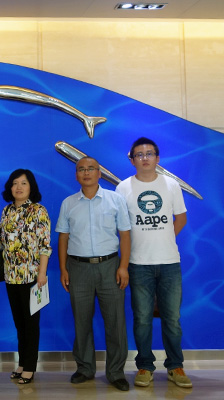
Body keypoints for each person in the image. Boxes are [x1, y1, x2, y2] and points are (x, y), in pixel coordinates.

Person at [116, 137, 192, 388]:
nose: (145, 158)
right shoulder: (123, 188)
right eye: (139, 154)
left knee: (172, 319)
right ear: (132, 160)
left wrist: (165, 237)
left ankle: (175, 366)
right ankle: (145, 366)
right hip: (138, 264)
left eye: (149, 153)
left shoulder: (171, 185)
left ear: (157, 158)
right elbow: (121, 227)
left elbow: (181, 218)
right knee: (142, 319)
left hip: (169, 262)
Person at [55, 157, 131, 391]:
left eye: (91, 169)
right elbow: (63, 237)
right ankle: (85, 368)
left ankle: (116, 372)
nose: (86, 172)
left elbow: (125, 235)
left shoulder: (115, 200)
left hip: (110, 266)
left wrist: (123, 267)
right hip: (78, 268)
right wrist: (63, 268)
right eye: (81, 169)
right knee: (81, 321)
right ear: (76, 175)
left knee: (116, 322)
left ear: (99, 173)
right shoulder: (68, 203)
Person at [0, 169, 51, 385]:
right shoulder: (7, 210)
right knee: (19, 324)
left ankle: (30, 367)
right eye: (15, 183)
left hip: (32, 277)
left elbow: (44, 246)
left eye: (23, 183)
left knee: (31, 324)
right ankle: (22, 363)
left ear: (31, 187)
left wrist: (42, 273)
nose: (19, 187)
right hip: (11, 276)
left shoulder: (38, 211)